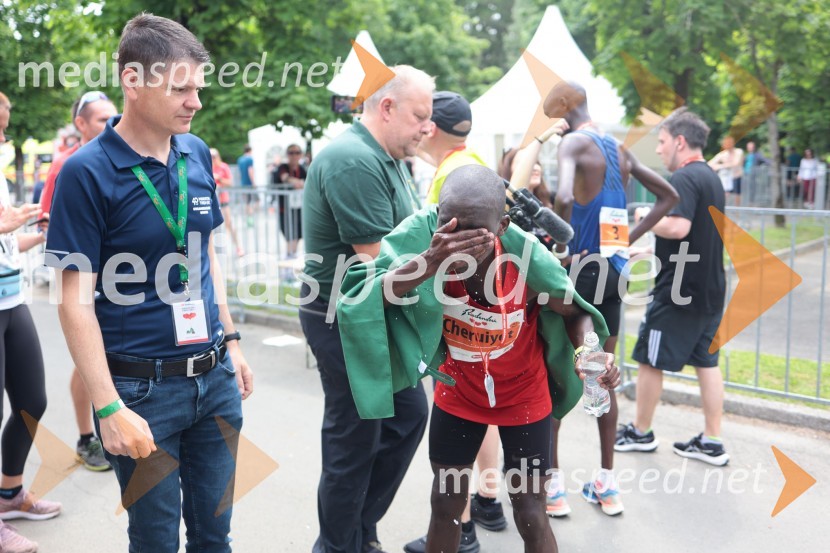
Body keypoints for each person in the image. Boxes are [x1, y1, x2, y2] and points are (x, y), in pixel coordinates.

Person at [44, 15, 253, 552]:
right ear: (133, 82)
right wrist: (107, 406)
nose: (195, 102)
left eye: (198, 88)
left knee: (215, 534)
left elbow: (205, 256)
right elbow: (73, 303)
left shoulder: (196, 152)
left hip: (215, 378)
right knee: (155, 540)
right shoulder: (84, 172)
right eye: (180, 88)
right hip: (141, 392)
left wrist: (230, 341)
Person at [336, 164, 619, 553]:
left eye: (476, 233)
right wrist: (430, 261)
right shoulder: (424, 237)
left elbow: (575, 311)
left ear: (502, 226)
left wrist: (590, 351)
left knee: (530, 510)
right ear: (438, 216)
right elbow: (367, 294)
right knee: (446, 503)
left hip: (523, 395)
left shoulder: (525, 254)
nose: (461, 243)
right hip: (459, 393)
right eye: (452, 227)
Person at [299, 65, 434, 553]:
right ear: (387, 107)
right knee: (354, 440)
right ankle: (338, 545)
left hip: (375, 314)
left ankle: (358, 531)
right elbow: (380, 260)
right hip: (342, 317)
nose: (428, 127)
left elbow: (413, 239)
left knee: (406, 418)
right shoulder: (353, 159)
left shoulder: (391, 156)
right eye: (420, 115)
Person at [542, 81, 679, 516]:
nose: (557, 123)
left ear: (567, 108)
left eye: (556, 113)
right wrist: (625, 242)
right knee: (602, 375)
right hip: (612, 275)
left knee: (560, 376)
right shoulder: (619, 149)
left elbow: (563, 196)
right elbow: (668, 196)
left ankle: (554, 488)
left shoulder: (574, 144)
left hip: (576, 275)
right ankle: (606, 484)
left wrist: (558, 254)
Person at [405, 91, 500, 553]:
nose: (420, 128)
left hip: (462, 311)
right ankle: (488, 498)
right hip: (488, 316)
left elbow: (440, 248)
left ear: (435, 128)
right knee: (486, 406)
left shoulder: (449, 175)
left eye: (424, 119)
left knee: (466, 409)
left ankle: (460, 526)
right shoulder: (474, 162)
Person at [614, 108, 729, 467]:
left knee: (649, 358)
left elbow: (678, 227)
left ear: (680, 142)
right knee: (706, 363)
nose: (660, 150)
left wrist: (644, 219)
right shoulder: (710, 177)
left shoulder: (683, 179)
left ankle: (640, 432)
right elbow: (696, 234)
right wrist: (649, 249)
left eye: (662, 142)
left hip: (680, 292)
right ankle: (712, 440)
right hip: (709, 289)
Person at [40, 90, 119, 473]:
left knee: (110, 353)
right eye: (104, 119)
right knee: (88, 357)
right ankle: (87, 437)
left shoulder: (121, 159)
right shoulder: (66, 167)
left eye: (114, 116)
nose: (113, 123)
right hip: (79, 276)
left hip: (118, 277)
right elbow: (48, 224)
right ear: (81, 124)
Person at [0, 91, 61, 553]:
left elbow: (6, 244)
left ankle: (9, 495)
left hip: (11, 299)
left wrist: (40, 231)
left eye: (6, 125)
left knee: (31, 402)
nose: (3, 135)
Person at [273, 143, 306, 279]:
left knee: (296, 237)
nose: (294, 155)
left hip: (298, 209)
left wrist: (299, 183)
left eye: (297, 152)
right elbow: (284, 178)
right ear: (287, 155)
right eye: (291, 153)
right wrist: (297, 182)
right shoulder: (282, 167)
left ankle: (292, 267)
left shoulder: (303, 169)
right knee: (289, 237)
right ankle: (287, 270)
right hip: (285, 210)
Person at [210, 148, 244, 257]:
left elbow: (230, 182)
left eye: (214, 156)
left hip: (223, 200)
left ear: (218, 156)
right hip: (211, 201)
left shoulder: (223, 167)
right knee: (211, 227)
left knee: (229, 224)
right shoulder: (207, 167)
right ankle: (214, 252)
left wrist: (219, 179)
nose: (212, 158)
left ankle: (238, 247)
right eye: (210, 156)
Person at [708, 136, 744, 205]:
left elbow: (736, 163)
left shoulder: (738, 152)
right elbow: (710, 164)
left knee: (737, 196)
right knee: (724, 194)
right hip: (727, 179)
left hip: (736, 177)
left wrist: (720, 166)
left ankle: (737, 212)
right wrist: (721, 166)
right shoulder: (723, 154)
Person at [237, 144, 255, 217]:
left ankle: (247, 216)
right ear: (250, 151)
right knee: (253, 201)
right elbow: (250, 170)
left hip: (243, 182)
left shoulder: (240, 159)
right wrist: (253, 182)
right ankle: (250, 216)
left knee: (246, 201)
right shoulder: (249, 159)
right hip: (248, 183)